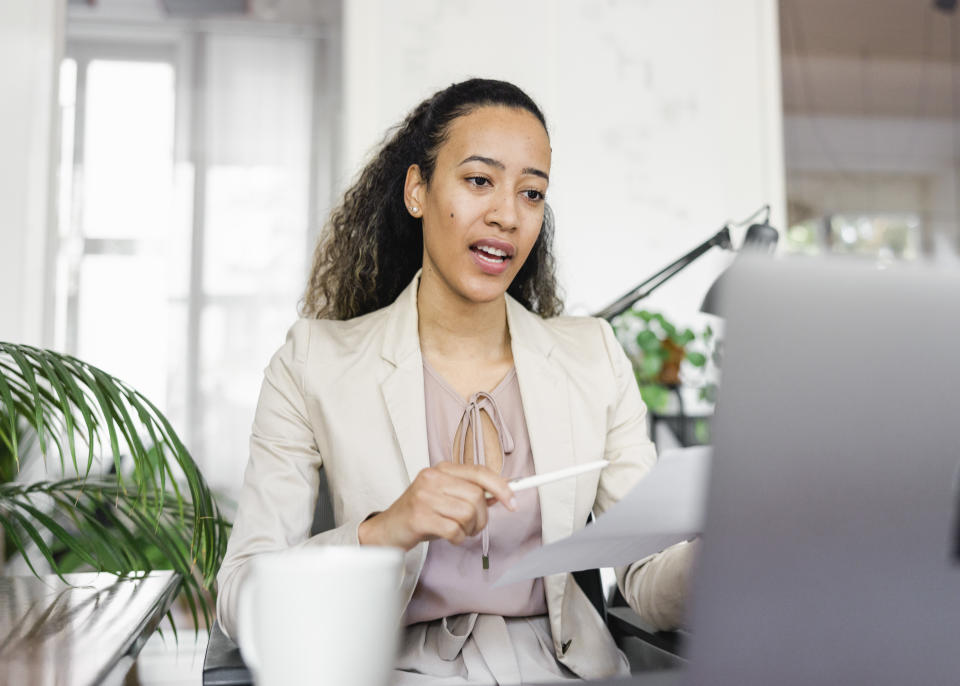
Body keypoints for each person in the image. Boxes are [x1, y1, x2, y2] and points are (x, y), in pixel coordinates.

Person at [216, 78, 697, 684]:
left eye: (531, 193)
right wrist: (385, 531)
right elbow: (241, 595)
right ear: (417, 190)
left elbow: (647, 573)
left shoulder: (591, 357)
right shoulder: (314, 363)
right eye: (478, 181)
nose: (506, 214)